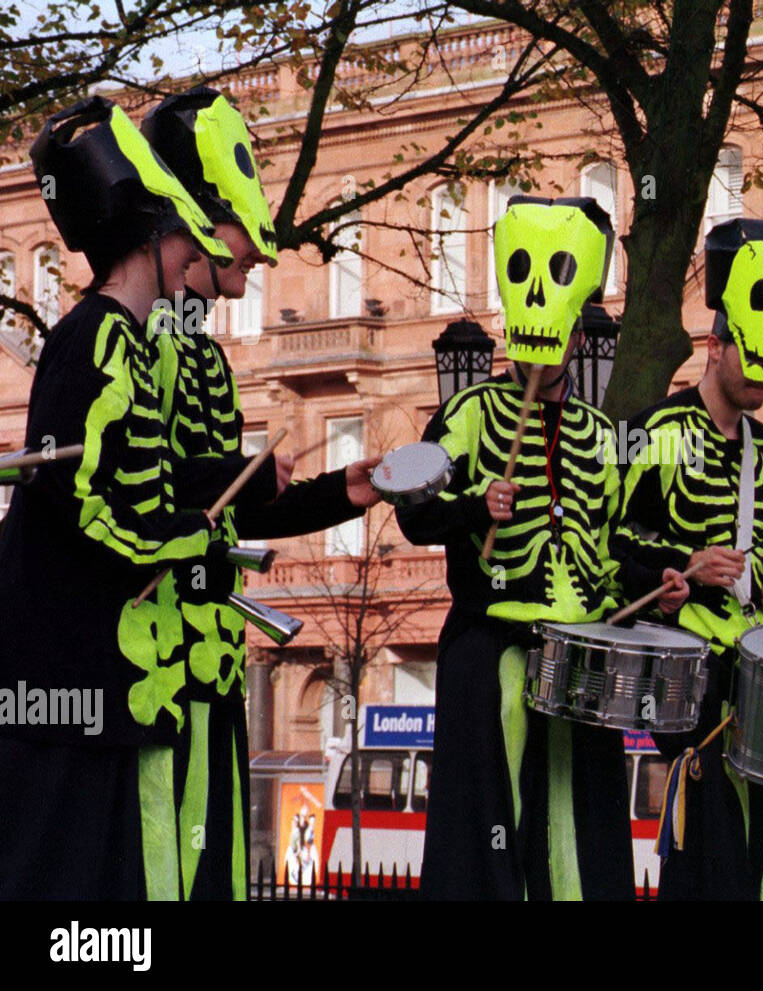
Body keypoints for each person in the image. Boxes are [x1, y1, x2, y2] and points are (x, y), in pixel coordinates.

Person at [397, 195, 688, 900]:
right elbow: (412, 511)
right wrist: (473, 505)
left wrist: (664, 577)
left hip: (580, 662)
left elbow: (612, 546)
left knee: (579, 844)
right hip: (491, 648)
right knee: (492, 842)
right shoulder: (468, 413)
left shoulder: (596, 432)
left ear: (578, 342)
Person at [0, 97, 249, 899]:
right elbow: (89, 508)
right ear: (149, 235)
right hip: (69, 680)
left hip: (108, 684)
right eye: (183, 234)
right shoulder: (98, 335)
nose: (195, 255)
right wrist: (192, 539)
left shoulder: (126, 342)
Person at [142, 87, 382, 900]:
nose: (254, 270)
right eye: (242, 250)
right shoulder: (132, 338)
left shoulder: (208, 358)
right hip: (152, 662)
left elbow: (239, 508)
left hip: (212, 653)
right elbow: (128, 485)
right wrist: (226, 479)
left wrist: (340, 492)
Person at [613, 218, 763, 900]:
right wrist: (681, 563)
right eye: (752, 366)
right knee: (707, 851)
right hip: (686, 677)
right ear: (715, 345)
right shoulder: (658, 431)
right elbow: (615, 539)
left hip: (755, 673)